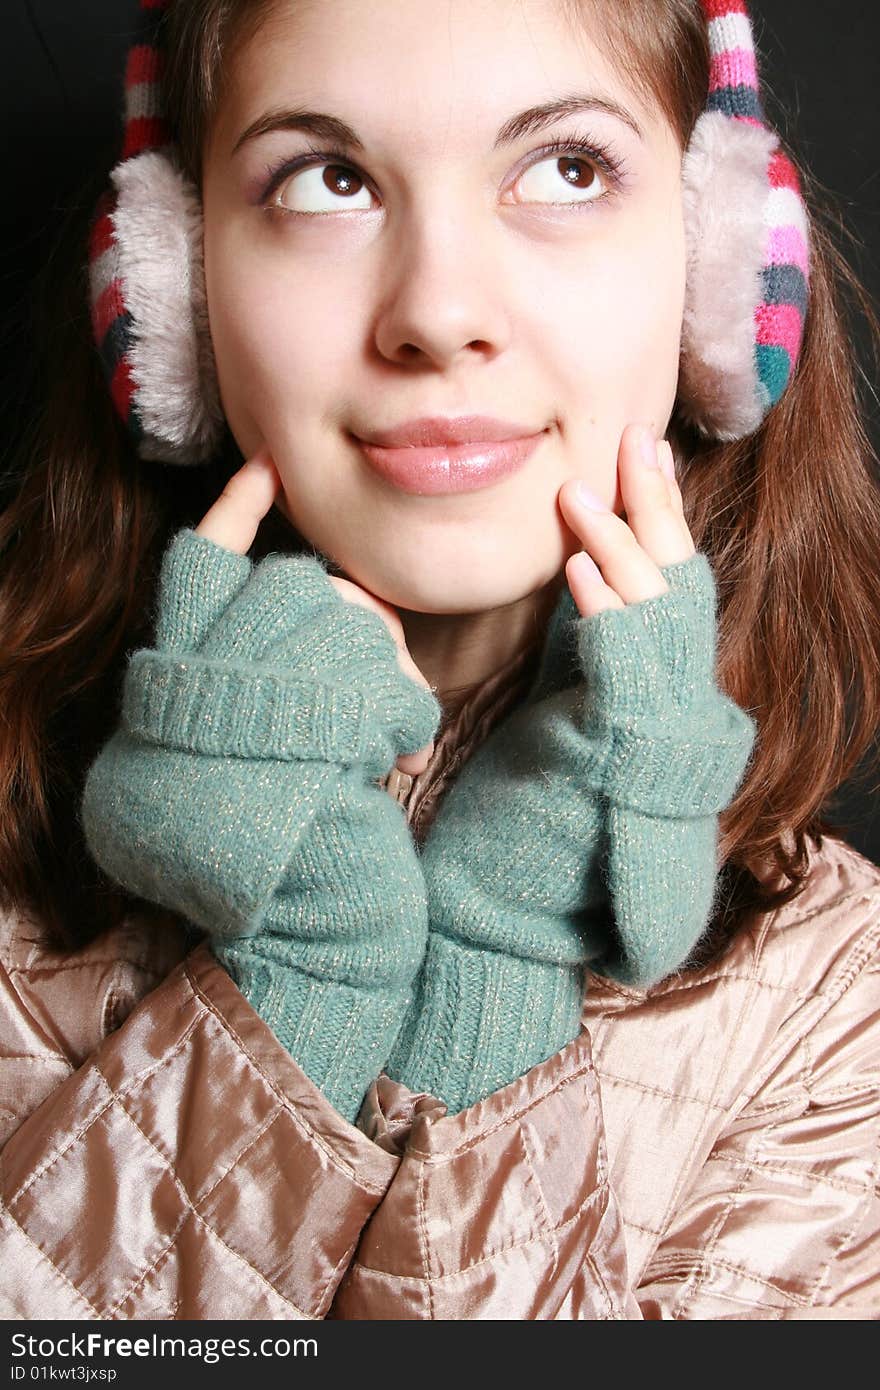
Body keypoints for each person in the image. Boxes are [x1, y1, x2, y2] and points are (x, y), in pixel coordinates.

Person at [1, 0, 878, 1319]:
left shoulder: (836, 1007)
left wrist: (495, 978)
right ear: (172, 290)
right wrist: (299, 981)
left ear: (716, 268)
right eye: (325, 178)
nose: (438, 313)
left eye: (567, 169)